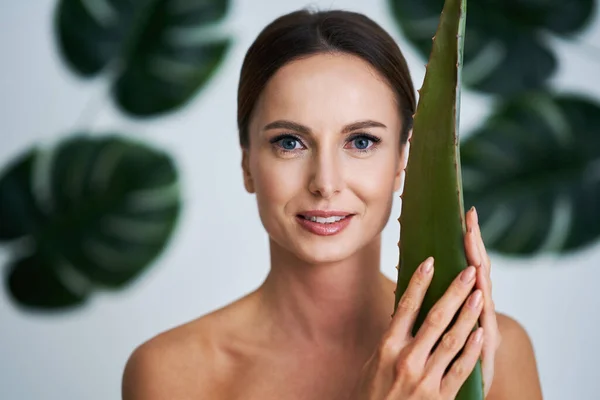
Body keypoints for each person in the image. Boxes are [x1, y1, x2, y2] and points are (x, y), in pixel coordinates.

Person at [121, 8, 543, 400]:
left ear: (402, 162)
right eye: (289, 142)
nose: (325, 183)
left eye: (361, 142)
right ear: (247, 162)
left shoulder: (488, 352)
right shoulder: (172, 372)